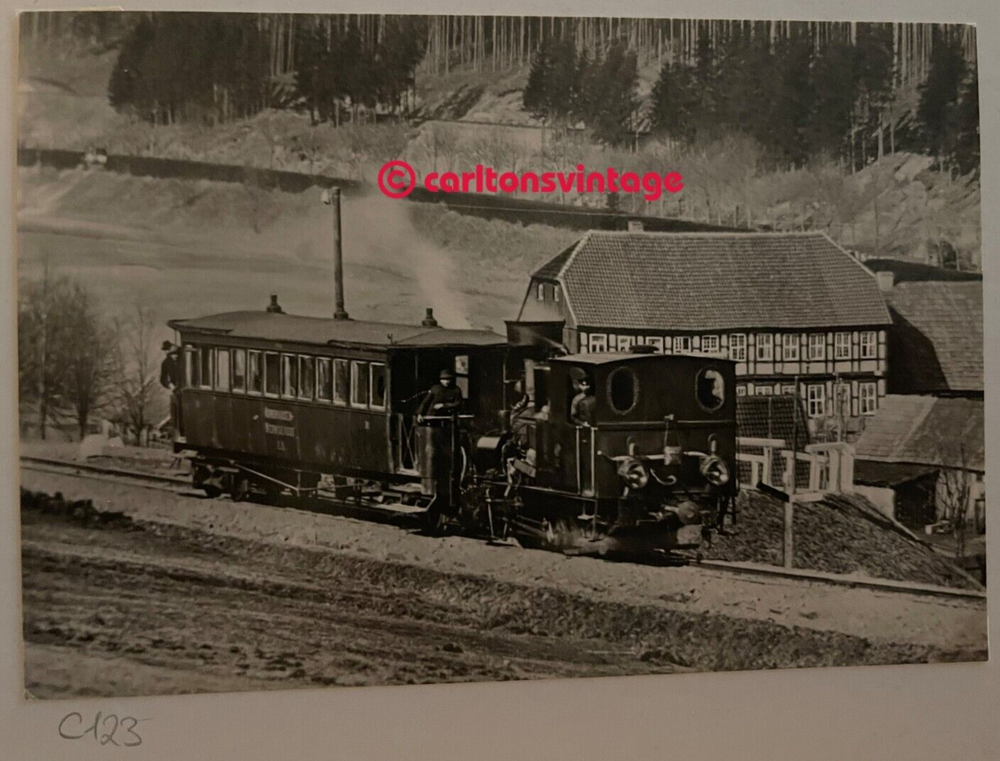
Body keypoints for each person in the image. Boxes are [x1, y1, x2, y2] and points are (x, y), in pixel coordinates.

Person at [160, 341, 182, 435]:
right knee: (177, 411)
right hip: (176, 390)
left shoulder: (184, 356)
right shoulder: (166, 363)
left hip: (187, 387)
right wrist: (170, 385)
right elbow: (163, 379)